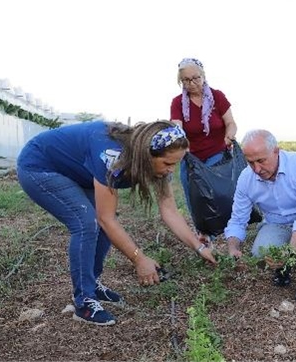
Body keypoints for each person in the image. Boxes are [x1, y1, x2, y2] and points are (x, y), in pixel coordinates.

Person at [16, 120, 217, 326]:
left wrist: (199, 247)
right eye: (167, 163)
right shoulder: (113, 158)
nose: (170, 170)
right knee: (88, 222)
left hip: (76, 171)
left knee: (102, 222)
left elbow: (170, 211)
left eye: (175, 164)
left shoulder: (156, 161)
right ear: (147, 155)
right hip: (40, 166)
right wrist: (139, 259)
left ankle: (91, 285)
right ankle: (84, 302)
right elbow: (106, 218)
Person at [224, 129, 296, 302]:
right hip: (276, 224)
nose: (257, 169)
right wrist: (233, 248)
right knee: (259, 253)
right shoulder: (245, 178)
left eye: (261, 161)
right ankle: (281, 268)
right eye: (250, 163)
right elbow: (238, 219)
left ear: (276, 151)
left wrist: (289, 252)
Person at [170, 57, 238, 229]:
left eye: (195, 78)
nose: (192, 83)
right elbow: (177, 128)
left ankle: (226, 227)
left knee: (216, 193)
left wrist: (230, 135)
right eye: (186, 80)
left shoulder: (217, 97)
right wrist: (180, 143)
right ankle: (203, 232)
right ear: (181, 81)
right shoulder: (178, 103)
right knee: (195, 196)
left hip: (216, 153)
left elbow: (230, 123)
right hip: (191, 157)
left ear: (203, 76)